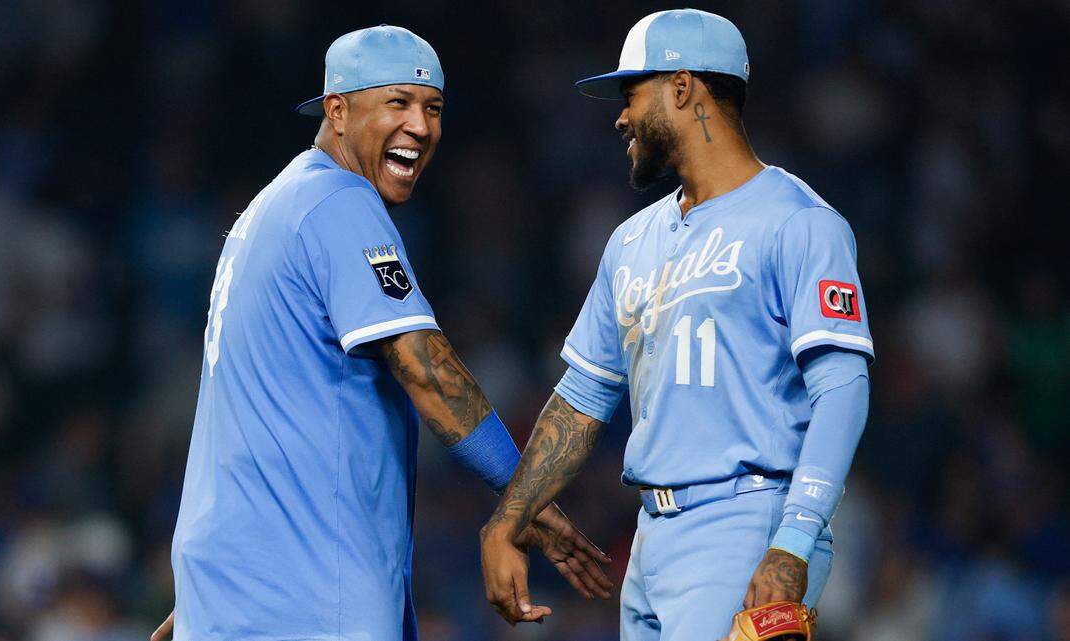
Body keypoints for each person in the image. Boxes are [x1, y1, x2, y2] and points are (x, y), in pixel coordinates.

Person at [151, 25, 611, 641]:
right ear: (337, 111)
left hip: (245, 589)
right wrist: (523, 490)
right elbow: (426, 368)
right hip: (311, 592)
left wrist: (222, 599)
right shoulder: (338, 202)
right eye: (398, 102)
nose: (421, 126)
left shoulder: (269, 210)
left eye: (433, 108)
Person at [479, 9, 873, 640]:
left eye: (631, 94)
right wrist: (510, 517)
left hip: (749, 523)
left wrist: (794, 540)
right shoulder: (631, 240)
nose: (620, 116)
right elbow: (582, 398)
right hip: (651, 538)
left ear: (683, 88)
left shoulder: (799, 222)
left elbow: (842, 387)